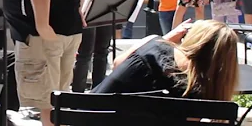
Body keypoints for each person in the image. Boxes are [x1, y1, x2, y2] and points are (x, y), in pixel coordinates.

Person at [90, 20, 238, 101]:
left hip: (90, 121)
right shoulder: (200, 90)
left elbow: (117, 64)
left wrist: (166, 37)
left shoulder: (152, 44)